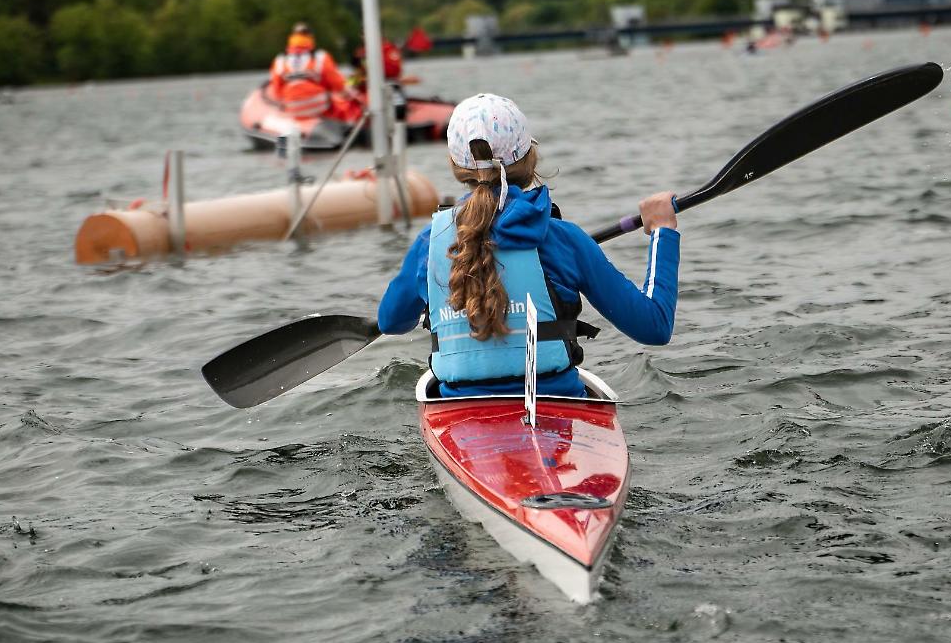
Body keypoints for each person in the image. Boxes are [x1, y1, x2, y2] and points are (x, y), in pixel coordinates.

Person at [376, 93, 680, 398]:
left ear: (456, 165)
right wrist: (662, 232)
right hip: (557, 403)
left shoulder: (430, 243)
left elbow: (391, 321)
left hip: (461, 415)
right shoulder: (564, 239)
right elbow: (654, 326)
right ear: (529, 158)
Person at [267, 23, 360, 122]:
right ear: (311, 37)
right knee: (340, 104)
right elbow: (337, 84)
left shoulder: (279, 60)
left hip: (292, 108)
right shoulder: (321, 57)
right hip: (318, 106)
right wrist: (351, 94)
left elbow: (277, 91)